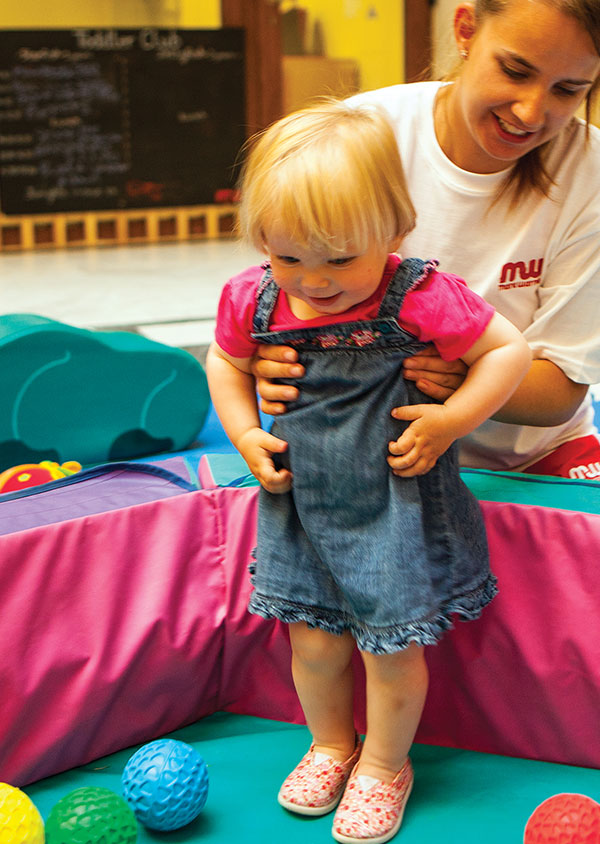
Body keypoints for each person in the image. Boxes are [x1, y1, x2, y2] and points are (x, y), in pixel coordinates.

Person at [206, 99, 531, 843]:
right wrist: (246, 433)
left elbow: (506, 351)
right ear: (260, 241)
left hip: (392, 503)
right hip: (300, 504)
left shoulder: (415, 296)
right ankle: (329, 744)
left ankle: (385, 763)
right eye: (288, 258)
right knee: (313, 642)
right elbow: (224, 364)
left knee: (391, 648)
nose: (314, 283)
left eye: (339, 259)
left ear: (393, 232)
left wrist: (452, 419)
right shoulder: (253, 299)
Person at [251, 0, 600, 480]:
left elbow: (560, 391)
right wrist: (280, 359)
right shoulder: (361, 136)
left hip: (530, 455)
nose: (530, 112)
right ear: (465, 31)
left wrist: (466, 383)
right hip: (372, 451)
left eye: (567, 90)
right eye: (515, 70)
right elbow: (291, 283)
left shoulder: (588, 177)